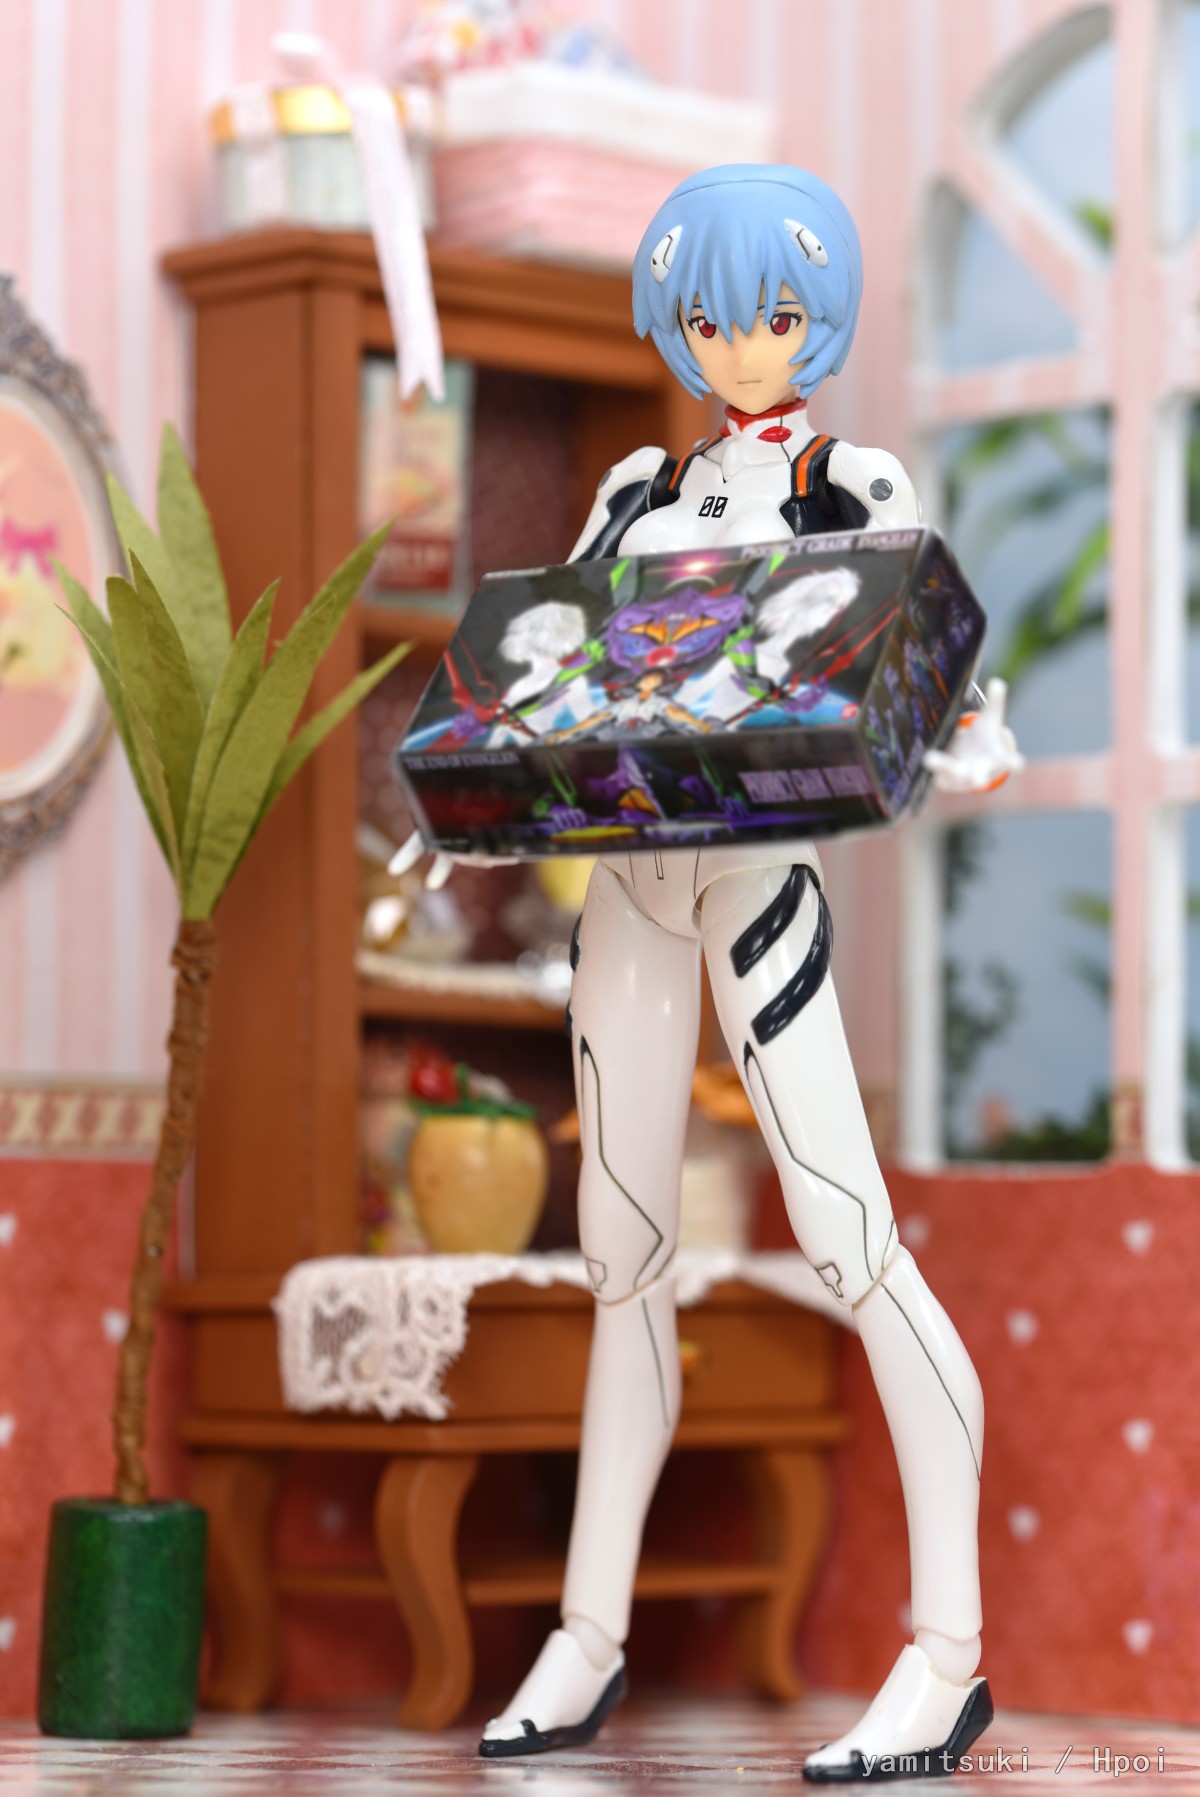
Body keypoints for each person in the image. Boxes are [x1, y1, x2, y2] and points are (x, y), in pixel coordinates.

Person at [424, 163, 1019, 1781]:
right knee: (620, 1253)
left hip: (761, 873)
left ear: (815, 317)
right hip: (628, 878)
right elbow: (556, 673)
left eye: (769, 312)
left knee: (853, 1245)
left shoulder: (851, 483)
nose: (736, 341)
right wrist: (470, 790)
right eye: (704, 313)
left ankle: (948, 1651)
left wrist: (962, 729)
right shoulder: (636, 491)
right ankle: (589, 1629)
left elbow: (926, 646)